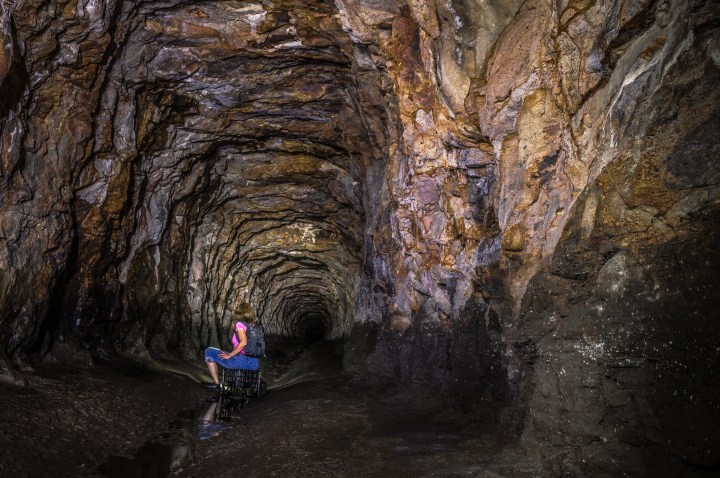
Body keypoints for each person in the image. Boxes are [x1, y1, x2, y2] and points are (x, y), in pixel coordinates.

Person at [202, 305, 259, 391]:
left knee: (209, 351)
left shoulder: (240, 325)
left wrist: (230, 355)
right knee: (227, 353)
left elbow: (243, 342)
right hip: (254, 364)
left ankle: (216, 384)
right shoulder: (253, 327)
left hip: (240, 362)